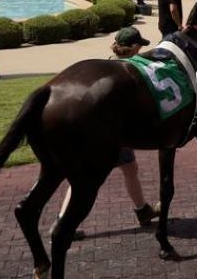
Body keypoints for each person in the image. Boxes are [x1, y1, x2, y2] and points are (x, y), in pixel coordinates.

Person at [55, 26, 160, 240]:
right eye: (139, 45)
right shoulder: (128, 70)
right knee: (85, 179)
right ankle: (64, 222)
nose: (141, 48)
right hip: (112, 133)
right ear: (132, 48)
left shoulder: (107, 63)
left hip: (101, 129)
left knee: (129, 168)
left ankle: (142, 210)